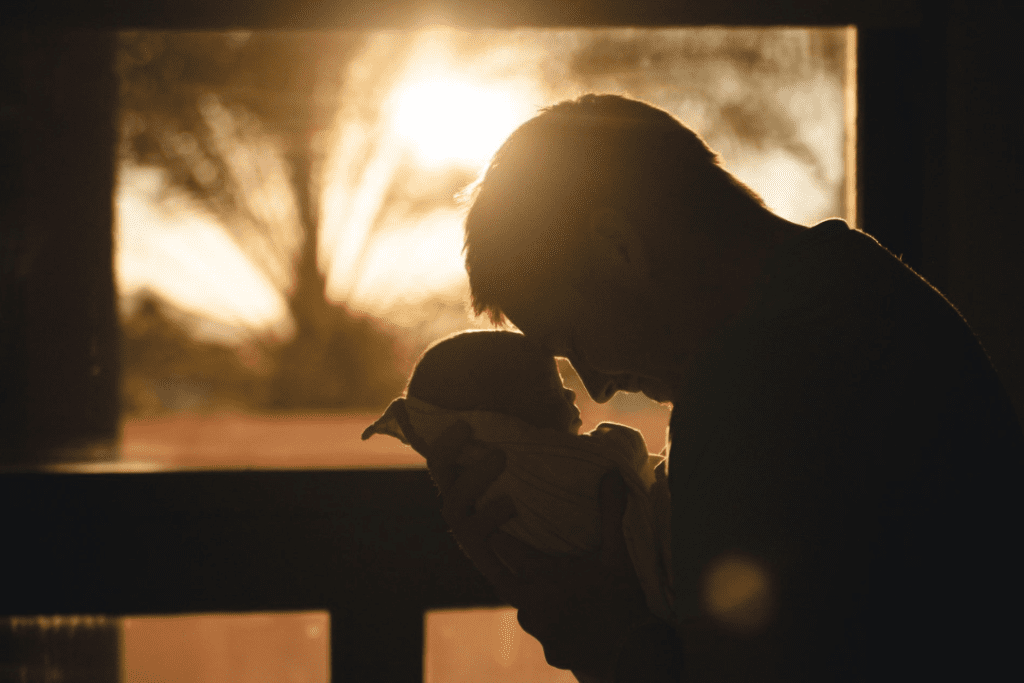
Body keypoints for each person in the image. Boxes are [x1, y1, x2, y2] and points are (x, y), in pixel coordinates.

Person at [418, 94, 1023, 682]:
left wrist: (599, 632)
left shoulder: (764, 384)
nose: (597, 388)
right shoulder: (860, 296)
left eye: (573, 339)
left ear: (616, 249)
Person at [362, 330, 674, 634]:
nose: (574, 393)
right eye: (547, 391)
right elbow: (620, 461)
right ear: (495, 426)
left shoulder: (488, 497)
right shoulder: (539, 474)